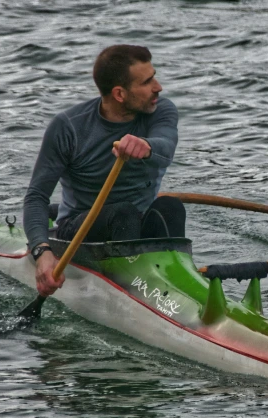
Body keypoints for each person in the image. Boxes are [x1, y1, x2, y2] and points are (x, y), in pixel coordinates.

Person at [23, 45, 183, 297]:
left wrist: (147, 147)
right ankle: (131, 296)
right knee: (123, 213)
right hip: (78, 231)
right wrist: (41, 252)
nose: (158, 87)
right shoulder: (68, 128)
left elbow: (166, 148)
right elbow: (36, 197)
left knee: (170, 208)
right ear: (119, 94)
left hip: (134, 224)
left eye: (154, 76)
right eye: (147, 81)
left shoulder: (160, 110)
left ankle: (180, 288)